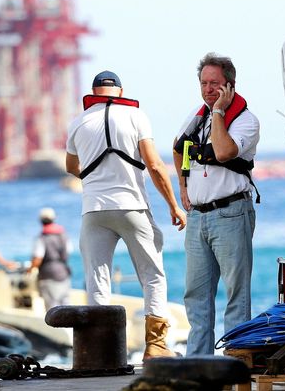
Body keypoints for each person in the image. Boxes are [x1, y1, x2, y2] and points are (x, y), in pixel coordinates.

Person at [65, 70, 187, 360]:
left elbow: (71, 166)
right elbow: (155, 165)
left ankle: (99, 353)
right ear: (120, 92)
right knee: (153, 276)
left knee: (97, 281)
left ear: (94, 92)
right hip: (132, 206)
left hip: (94, 210)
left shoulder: (78, 122)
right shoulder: (136, 116)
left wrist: (96, 179)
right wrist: (173, 205)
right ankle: (155, 347)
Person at [172, 52, 260, 355]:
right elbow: (178, 147)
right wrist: (183, 185)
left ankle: (235, 364)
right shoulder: (196, 118)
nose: (209, 90)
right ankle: (199, 366)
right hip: (198, 217)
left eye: (215, 84)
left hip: (231, 212)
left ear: (230, 86)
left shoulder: (246, 120)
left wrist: (220, 112)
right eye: (204, 83)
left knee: (237, 294)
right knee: (195, 295)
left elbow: (223, 152)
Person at [27, 207, 72, 310]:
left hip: (48, 275)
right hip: (64, 273)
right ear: (54, 218)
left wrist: (30, 270)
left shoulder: (41, 238)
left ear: (40, 220)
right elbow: (68, 252)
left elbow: (37, 258)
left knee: (52, 308)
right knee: (66, 305)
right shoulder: (64, 235)